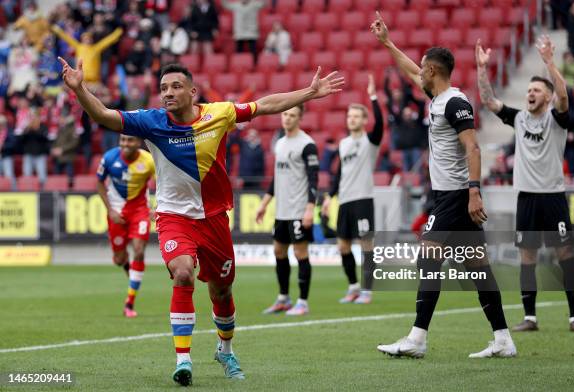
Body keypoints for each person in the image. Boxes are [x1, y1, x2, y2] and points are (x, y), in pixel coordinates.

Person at [58, 56, 342, 385]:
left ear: (193, 92)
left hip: (214, 220)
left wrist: (308, 92)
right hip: (173, 217)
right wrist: (80, 90)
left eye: (176, 87)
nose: (168, 93)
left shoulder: (219, 113)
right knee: (181, 273)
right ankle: (183, 359)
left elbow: (264, 105)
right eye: (163, 88)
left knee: (221, 291)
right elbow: (104, 115)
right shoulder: (150, 122)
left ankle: (225, 349)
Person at [371, 12, 516, 359]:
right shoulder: (437, 98)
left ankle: (417, 339)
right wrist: (388, 43)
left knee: (428, 258)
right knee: (478, 267)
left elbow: (473, 147)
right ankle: (503, 339)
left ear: (433, 71)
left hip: (455, 196)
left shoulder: (454, 102)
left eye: (423, 66)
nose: (418, 70)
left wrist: (474, 190)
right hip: (452, 196)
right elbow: (408, 70)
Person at [476, 36, 574, 333]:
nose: (530, 93)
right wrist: (481, 69)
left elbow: (565, 97)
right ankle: (530, 318)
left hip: (553, 197)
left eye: (537, 90)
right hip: (526, 197)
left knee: (564, 255)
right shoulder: (518, 119)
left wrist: (550, 63)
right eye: (528, 89)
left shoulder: (556, 120)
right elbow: (489, 101)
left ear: (548, 96)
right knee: (527, 257)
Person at [321, 74, 383, 305]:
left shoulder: (370, 141)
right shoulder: (344, 144)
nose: (352, 119)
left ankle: (367, 290)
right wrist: (329, 197)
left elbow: (381, 124)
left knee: (366, 244)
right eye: (350, 116)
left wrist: (373, 96)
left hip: (363, 199)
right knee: (343, 245)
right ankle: (353, 287)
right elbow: (338, 174)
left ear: (364, 120)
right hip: (345, 201)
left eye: (357, 116)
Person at [255, 104, 319, 316]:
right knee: (278, 251)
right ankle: (283, 298)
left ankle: (303, 302)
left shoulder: (307, 144)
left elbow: (313, 179)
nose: (287, 118)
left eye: (292, 115)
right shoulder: (280, 143)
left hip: (299, 210)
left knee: (300, 252)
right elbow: (276, 177)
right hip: (281, 210)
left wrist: (310, 209)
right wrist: (264, 204)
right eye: (284, 114)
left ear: (300, 118)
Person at [96, 134, 155, 317]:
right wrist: (110, 211)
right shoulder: (109, 158)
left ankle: (129, 303)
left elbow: (163, 182)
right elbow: (99, 183)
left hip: (140, 211)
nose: (125, 144)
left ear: (138, 142)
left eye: (129, 140)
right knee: (119, 259)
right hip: (117, 213)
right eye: (122, 140)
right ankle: (133, 274)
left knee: (138, 250)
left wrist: (156, 206)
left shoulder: (149, 160)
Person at [51, 25, 123, 84]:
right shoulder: (78, 47)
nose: (87, 40)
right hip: (81, 79)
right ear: (82, 39)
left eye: (89, 38)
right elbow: (67, 38)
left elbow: (107, 41)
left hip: (94, 79)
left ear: (91, 40)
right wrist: (57, 30)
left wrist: (118, 33)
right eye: (85, 38)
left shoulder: (96, 48)